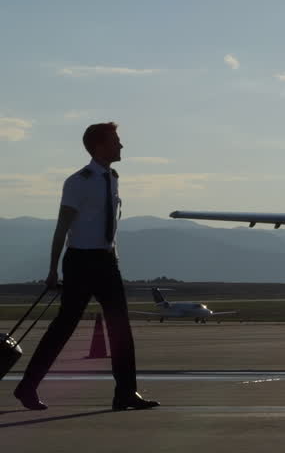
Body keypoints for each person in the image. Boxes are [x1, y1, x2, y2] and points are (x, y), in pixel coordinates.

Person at [12, 123, 158, 411]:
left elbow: (109, 225)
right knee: (63, 327)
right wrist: (52, 269)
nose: (121, 146)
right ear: (99, 146)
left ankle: (126, 392)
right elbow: (62, 227)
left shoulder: (112, 178)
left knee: (121, 329)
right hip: (80, 261)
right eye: (116, 141)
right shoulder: (78, 182)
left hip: (106, 261)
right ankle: (27, 386)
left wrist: (113, 257)